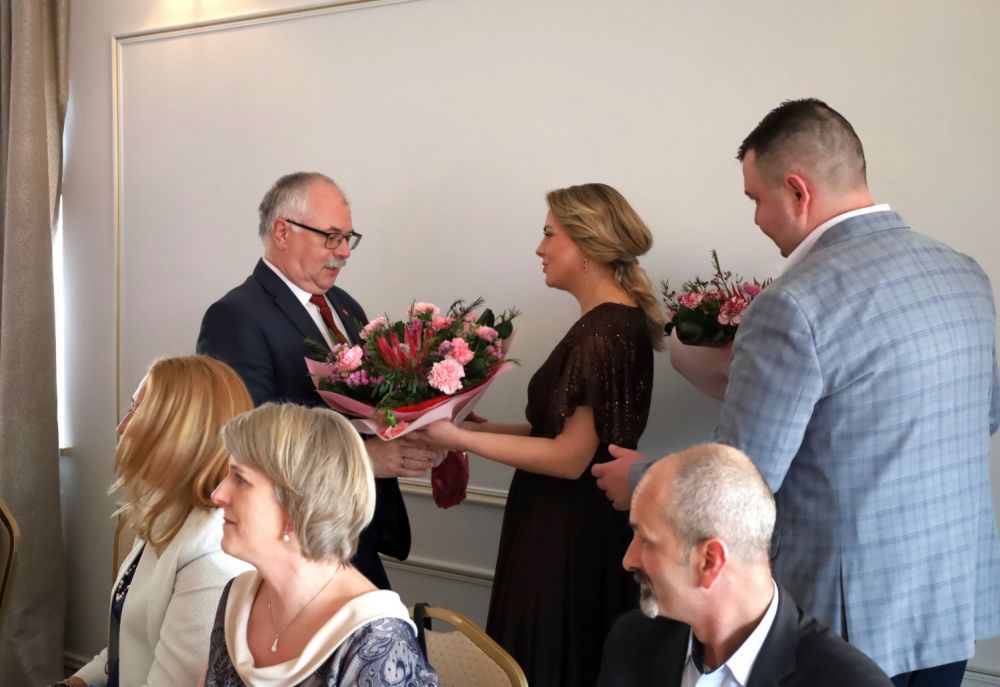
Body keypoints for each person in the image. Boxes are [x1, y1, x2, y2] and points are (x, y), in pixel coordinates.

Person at [593, 98, 1000, 685]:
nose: (757, 219)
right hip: (950, 597)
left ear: (797, 191)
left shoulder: (792, 303)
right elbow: (984, 415)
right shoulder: (963, 273)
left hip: (852, 622)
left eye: (755, 199)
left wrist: (638, 478)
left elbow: (742, 479)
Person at [415, 183, 664, 687]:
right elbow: (560, 432)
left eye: (550, 234)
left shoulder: (602, 333)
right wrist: (472, 428)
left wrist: (458, 439)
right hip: (579, 522)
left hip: (565, 532)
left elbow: (570, 458)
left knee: (550, 661)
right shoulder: (615, 324)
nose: (539, 248)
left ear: (587, 243)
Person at [196, 171, 439, 590]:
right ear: (282, 232)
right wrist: (366, 459)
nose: (343, 252)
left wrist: (426, 418)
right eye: (331, 237)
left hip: (352, 527)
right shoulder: (235, 316)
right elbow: (248, 441)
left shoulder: (345, 307)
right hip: (294, 539)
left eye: (348, 238)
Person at [596, 444, 892, 687]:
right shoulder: (631, 643)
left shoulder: (850, 682)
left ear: (710, 561)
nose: (628, 560)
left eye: (646, 541)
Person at [202, 402, 438, 687]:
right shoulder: (237, 598)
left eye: (240, 479)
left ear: (297, 503)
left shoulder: (377, 644)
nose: (217, 494)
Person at [53, 356, 254, 687]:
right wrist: (73, 683)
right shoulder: (166, 514)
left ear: (185, 433)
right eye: (129, 408)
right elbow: (124, 648)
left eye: (139, 412)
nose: (122, 426)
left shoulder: (212, 557)